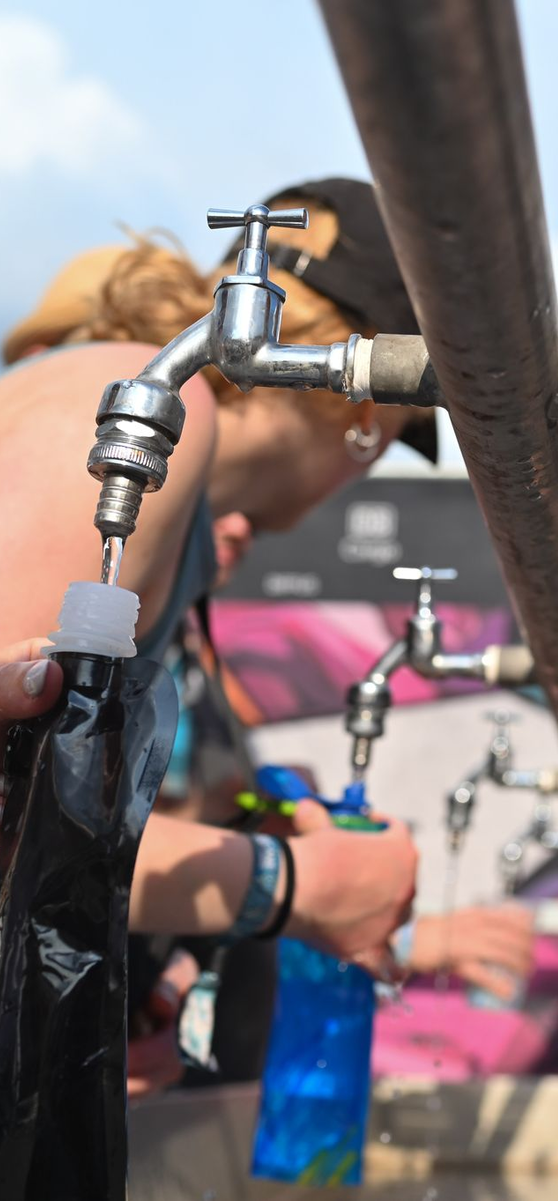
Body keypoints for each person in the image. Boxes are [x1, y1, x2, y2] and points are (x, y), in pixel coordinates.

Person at [0, 180, 428, 992]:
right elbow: (14, 810)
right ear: (364, 411)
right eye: (391, 439)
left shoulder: (160, 453)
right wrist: (293, 885)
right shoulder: (154, 409)